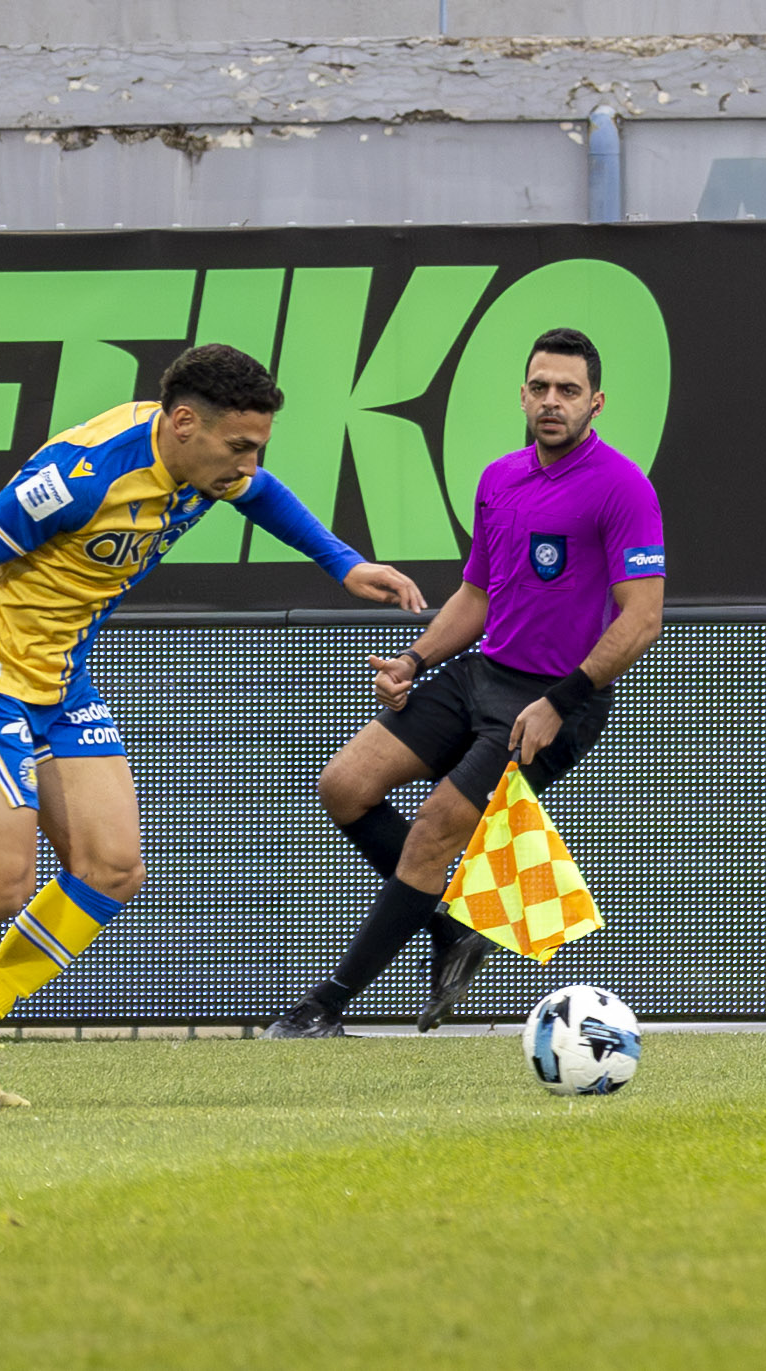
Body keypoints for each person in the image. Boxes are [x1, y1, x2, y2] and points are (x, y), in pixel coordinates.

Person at [0, 343, 424, 1106]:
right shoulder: (85, 476)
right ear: (184, 424)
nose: (249, 464)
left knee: (112, 867)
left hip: (59, 676)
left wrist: (342, 562)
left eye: (258, 446)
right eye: (240, 446)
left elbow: (262, 494)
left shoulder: (207, 465)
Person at [264, 327, 665, 1038]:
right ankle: (451, 924)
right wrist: (412, 662)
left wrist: (559, 703)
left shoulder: (623, 486)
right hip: (479, 674)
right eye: (539, 387)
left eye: (568, 390)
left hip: (556, 700)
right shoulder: (498, 478)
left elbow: (642, 619)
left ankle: (324, 1005)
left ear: (595, 403)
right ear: (522, 395)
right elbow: (476, 597)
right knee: (344, 786)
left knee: (433, 829)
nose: (551, 400)